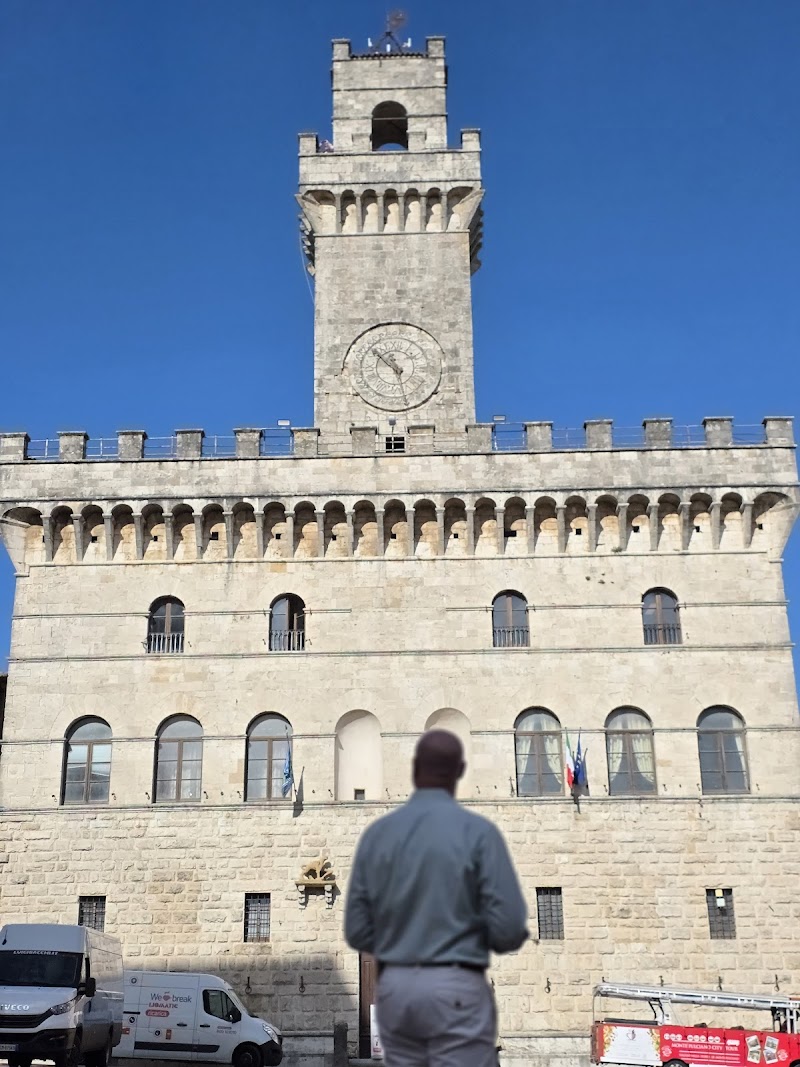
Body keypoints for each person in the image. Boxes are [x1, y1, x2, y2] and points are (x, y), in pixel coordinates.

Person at [345, 729, 529, 1066]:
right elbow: (510, 928)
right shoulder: (480, 834)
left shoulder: (378, 836)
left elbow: (357, 931)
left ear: (415, 771)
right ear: (459, 772)